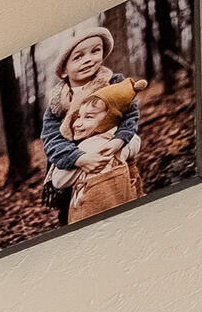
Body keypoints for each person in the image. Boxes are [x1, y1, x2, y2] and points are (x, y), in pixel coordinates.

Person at [41, 25, 142, 225]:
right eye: (78, 57)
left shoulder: (113, 83)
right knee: (77, 212)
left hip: (111, 153)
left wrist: (119, 140)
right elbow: (51, 140)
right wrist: (79, 158)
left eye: (95, 51)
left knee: (122, 200)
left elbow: (131, 114)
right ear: (63, 71)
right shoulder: (57, 103)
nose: (88, 59)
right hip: (76, 165)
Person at [59, 91, 145, 221]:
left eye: (88, 117)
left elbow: (59, 181)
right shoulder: (127, 140)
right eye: (78, 116)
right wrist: (120, 141)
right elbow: (135, 142)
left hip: (90, 214)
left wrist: (77, 161)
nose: (77, 123)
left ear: (108, 120)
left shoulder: (87, 146)